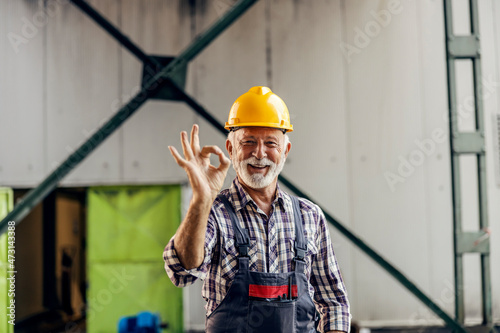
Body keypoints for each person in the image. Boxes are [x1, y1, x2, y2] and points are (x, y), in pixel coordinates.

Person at [163, 86, 351, 333]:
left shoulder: (309, 216)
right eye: (248, 142)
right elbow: (182, 271)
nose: (259, 153)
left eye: (270, 143)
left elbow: (334, 302)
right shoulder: (215, 214)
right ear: (231, 149)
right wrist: (201, 200)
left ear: (285, 151)